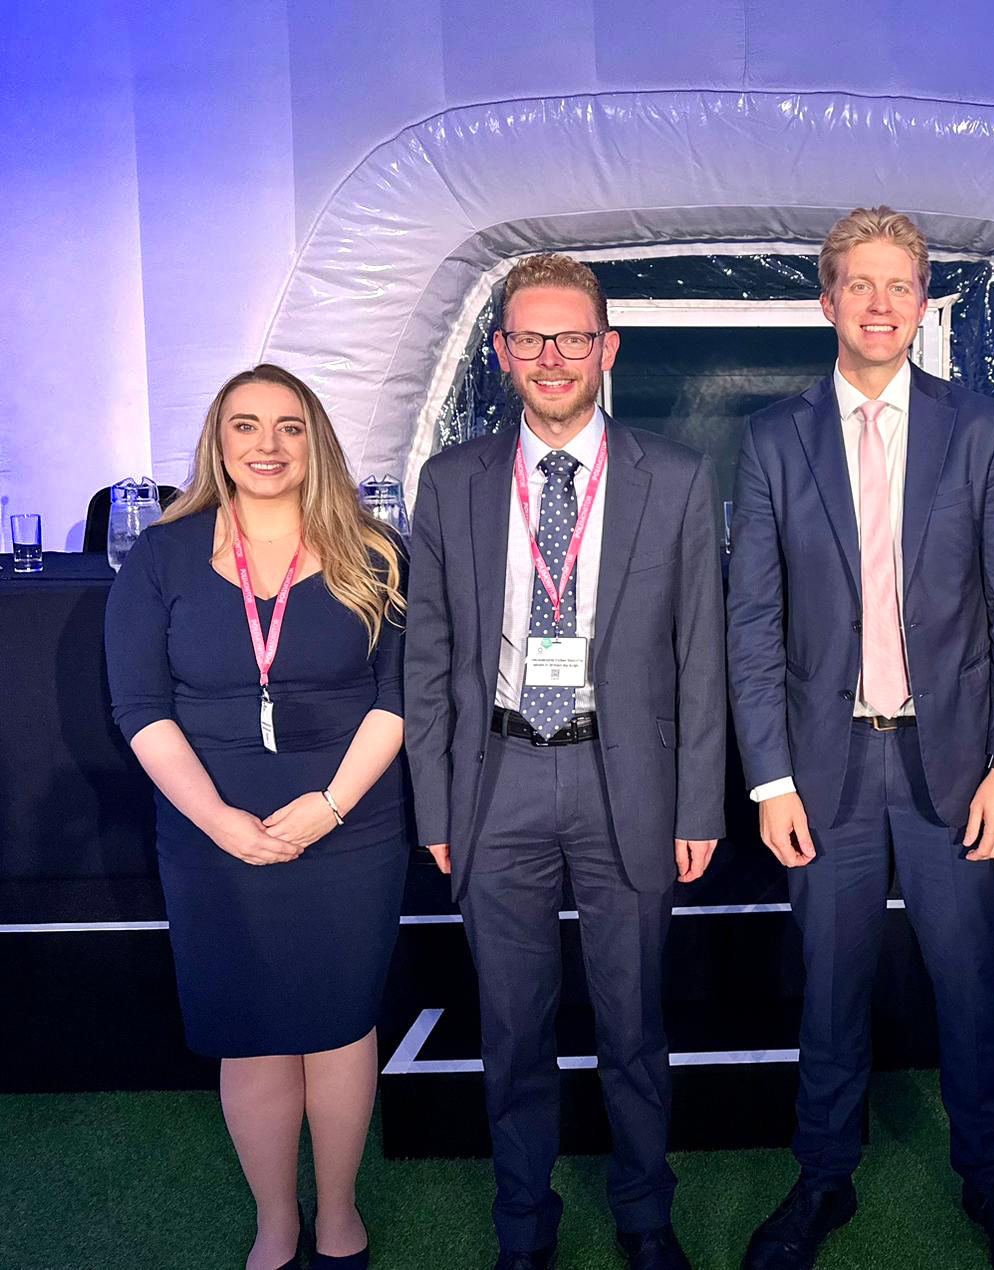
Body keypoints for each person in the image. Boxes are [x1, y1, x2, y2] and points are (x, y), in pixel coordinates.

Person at [726, 207, 994, 1270]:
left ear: (924, 301)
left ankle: (990, 1177)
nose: (878, 304)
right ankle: (823, 1178)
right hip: (823, 771)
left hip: (956, 765)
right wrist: (769, 778)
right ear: (825, 300)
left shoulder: (981, 429)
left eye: (899, 284)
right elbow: (752, 624)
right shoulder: (775, 437)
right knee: (828, 985)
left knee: (970, 982)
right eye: (858, 284)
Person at [405, 254, 726, 1270]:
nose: (552, 357)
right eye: (530, 338)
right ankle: (523, 1227)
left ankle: (644, 1217)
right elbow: (427, 659)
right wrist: (436, 805)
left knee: (633, 1022)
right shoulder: (451, 481)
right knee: (512, 1029)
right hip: (495, 781)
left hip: (622, 780)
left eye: (572, 337)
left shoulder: (673, 477)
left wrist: (700, 806)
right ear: (501, 352)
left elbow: (702, 657)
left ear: (607, 348)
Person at [106, 363, 408, 1270]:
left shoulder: (376, 550)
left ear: (316, 439)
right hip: (212, 832)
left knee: (339, 1022)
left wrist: (326, 807)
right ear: (218, 441)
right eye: (246, 426)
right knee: (251, 1028)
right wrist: (220, 822)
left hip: (351, 826)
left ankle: (341, 1214)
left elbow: (398, 700)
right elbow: (141, 709)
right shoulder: (162, 555)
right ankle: (278, 1219)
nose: (267, 446)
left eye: (288, 426)